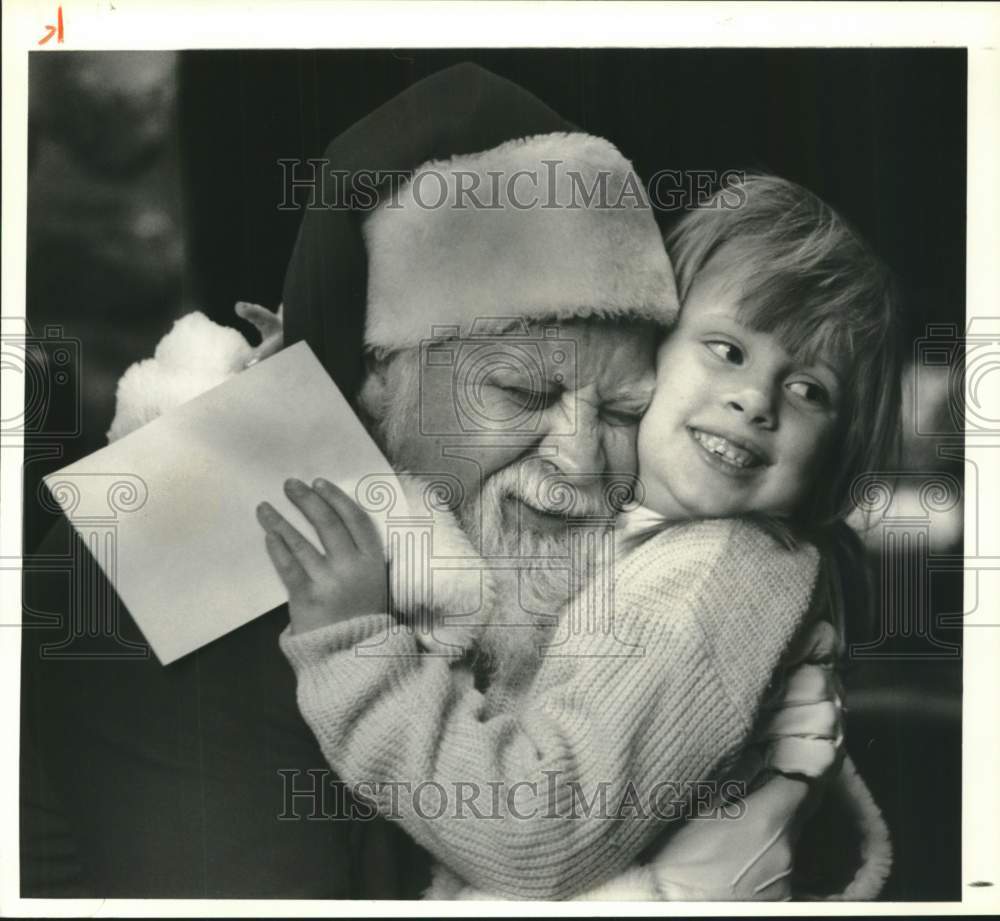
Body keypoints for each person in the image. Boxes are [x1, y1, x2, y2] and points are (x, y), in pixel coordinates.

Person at [20, 63, 842, 899]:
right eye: (523, 391)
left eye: (627, 411)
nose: (584, 459)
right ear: (379, 382)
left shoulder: (562, 562)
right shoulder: (174, 547)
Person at [262, 165, 899, 898]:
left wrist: (356, 647)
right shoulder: (641, 524)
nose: (756, 399)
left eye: (809, 389)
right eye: (728, 349)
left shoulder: (724, 570)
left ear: (836, 455)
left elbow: (537, 830)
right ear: (652, 346)